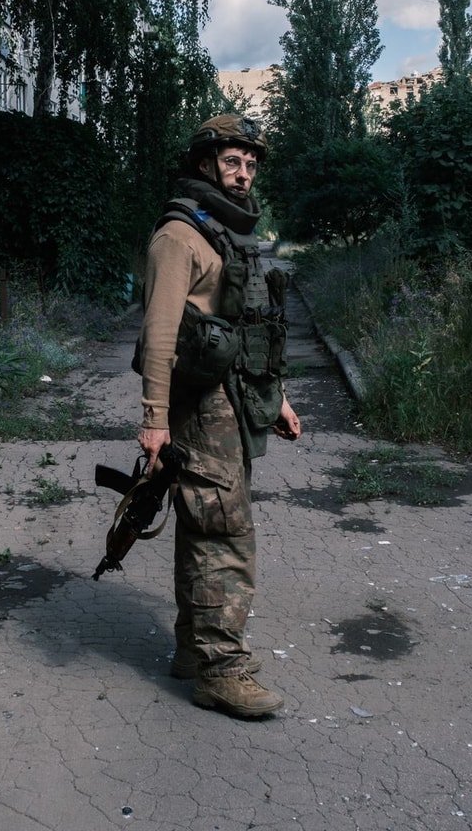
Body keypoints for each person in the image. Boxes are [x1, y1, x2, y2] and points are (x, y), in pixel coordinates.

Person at [136, 113, 301, 719]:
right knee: (223, 532)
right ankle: (221, 669)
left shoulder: (226, 233)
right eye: (232, 162)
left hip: (234, 402)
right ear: (205, 164)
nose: (243, 174)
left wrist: (274, 399)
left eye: (250, 164)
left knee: (205, 522)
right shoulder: (178, 236)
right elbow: (158, 337)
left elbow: (250, 325)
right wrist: (154, 419)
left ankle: (193, 650)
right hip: (199, 406)